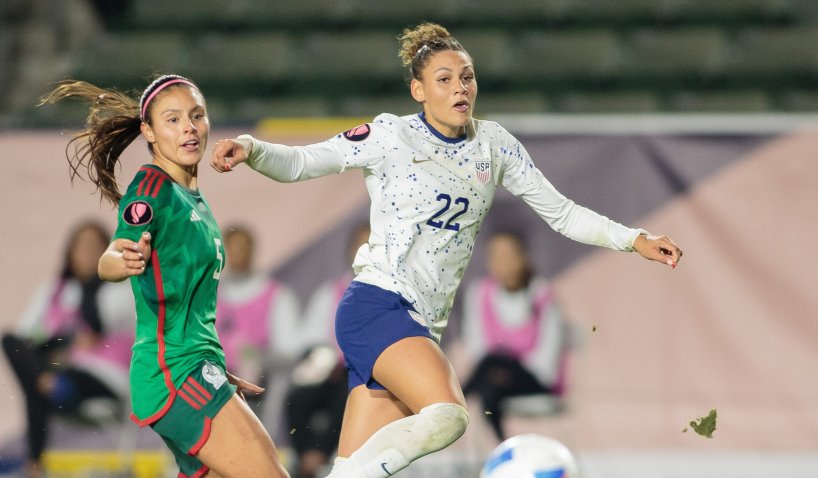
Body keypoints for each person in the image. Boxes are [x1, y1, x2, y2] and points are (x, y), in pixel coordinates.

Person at [211, 22, 683, 478]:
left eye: (467, 77)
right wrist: (251, 148)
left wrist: (632, 238)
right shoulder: (390, 135)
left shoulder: (493, 144)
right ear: (418, 90)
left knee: (352, 473)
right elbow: (302, 161)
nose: (461, 88)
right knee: (450, 415)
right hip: (377, 306)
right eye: (445, 79)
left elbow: (560, 212)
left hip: (420, 324)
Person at [40, 74, 291, 477]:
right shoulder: (150, 187)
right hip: (175, 374)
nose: (189, 127)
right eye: (172, 120)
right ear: (149, 132)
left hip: (197, 366)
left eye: (196, 116)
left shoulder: (194, 199)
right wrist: (119, 262)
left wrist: (216, 366)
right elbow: (113, 252)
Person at [2, 220, 134, 478]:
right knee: (11, 342)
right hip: (56, 372)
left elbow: (105, 323)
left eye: (95, 247)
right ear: (70, 253)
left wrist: (91, 285)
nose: (87, 253)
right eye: (81, 247)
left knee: (35, 384)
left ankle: (34, 465)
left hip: (102, 377)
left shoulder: (120, 288)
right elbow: (29, 338)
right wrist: (65, 345)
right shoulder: (53, 291)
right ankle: (47, 381)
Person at [461, 231, 571, 441]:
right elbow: (475, 344)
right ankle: (504, 447)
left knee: (491, 366)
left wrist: (507, 367)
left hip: (535, 378)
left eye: (509, 255)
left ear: (523, 257)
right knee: (490, 385)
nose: (503, 262)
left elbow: (547, 357)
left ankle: (460, 397)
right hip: (493, 379)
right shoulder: (479, 292)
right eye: (496, 256)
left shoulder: (541, 294)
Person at [284, 222, 370, 478]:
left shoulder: (388, 293)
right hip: (331, 370)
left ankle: (318, 459)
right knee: (296, 398)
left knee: (345, 401)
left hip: (365, 375)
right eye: (359, 246)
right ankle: (307, 457)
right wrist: (326, 360)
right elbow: (310, 341)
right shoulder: (330, 292)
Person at [216, 224, 300, 404]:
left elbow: (288, 351)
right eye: (232, 247)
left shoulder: (277, 295)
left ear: (252, 249)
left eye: (243, 247)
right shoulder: (211, 297)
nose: (238, 253)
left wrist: (258, 358)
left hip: (262, 389)